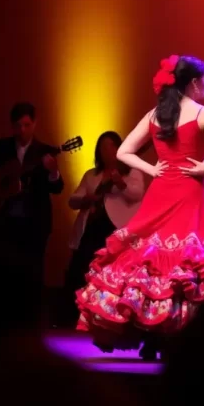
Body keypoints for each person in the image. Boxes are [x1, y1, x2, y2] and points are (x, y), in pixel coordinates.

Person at [75, 54, 204, 360]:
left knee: (156, 260)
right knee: (190, 262)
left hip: (162, 191)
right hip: (192, 193)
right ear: (194, 83)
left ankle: (155, 336)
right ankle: (183, 336)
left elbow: (123, 152)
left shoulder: (156, 115)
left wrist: (153, 169)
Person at [0, 102, 63, 288]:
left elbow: (57, 188)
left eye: (27, 125)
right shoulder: (0, 147)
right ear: (12, 126)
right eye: (18, 125)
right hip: (3, 218)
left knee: (32, 273)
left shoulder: (44, 152)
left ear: (34, 123)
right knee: (1, 273)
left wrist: (53, 172)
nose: (22, 130)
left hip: (35, 222)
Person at [61, 131, 146, 325]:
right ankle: (73, 315)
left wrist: (121, 184)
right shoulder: (92, 175)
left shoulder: (132, 172)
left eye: (111, 146)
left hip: (117, 230)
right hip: (92, 228)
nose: (107, 150)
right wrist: (86, 199)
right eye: (103, 147)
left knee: (113, 274)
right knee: (81, 268)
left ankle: (110, 317)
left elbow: (138, 194)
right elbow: (73, 200)